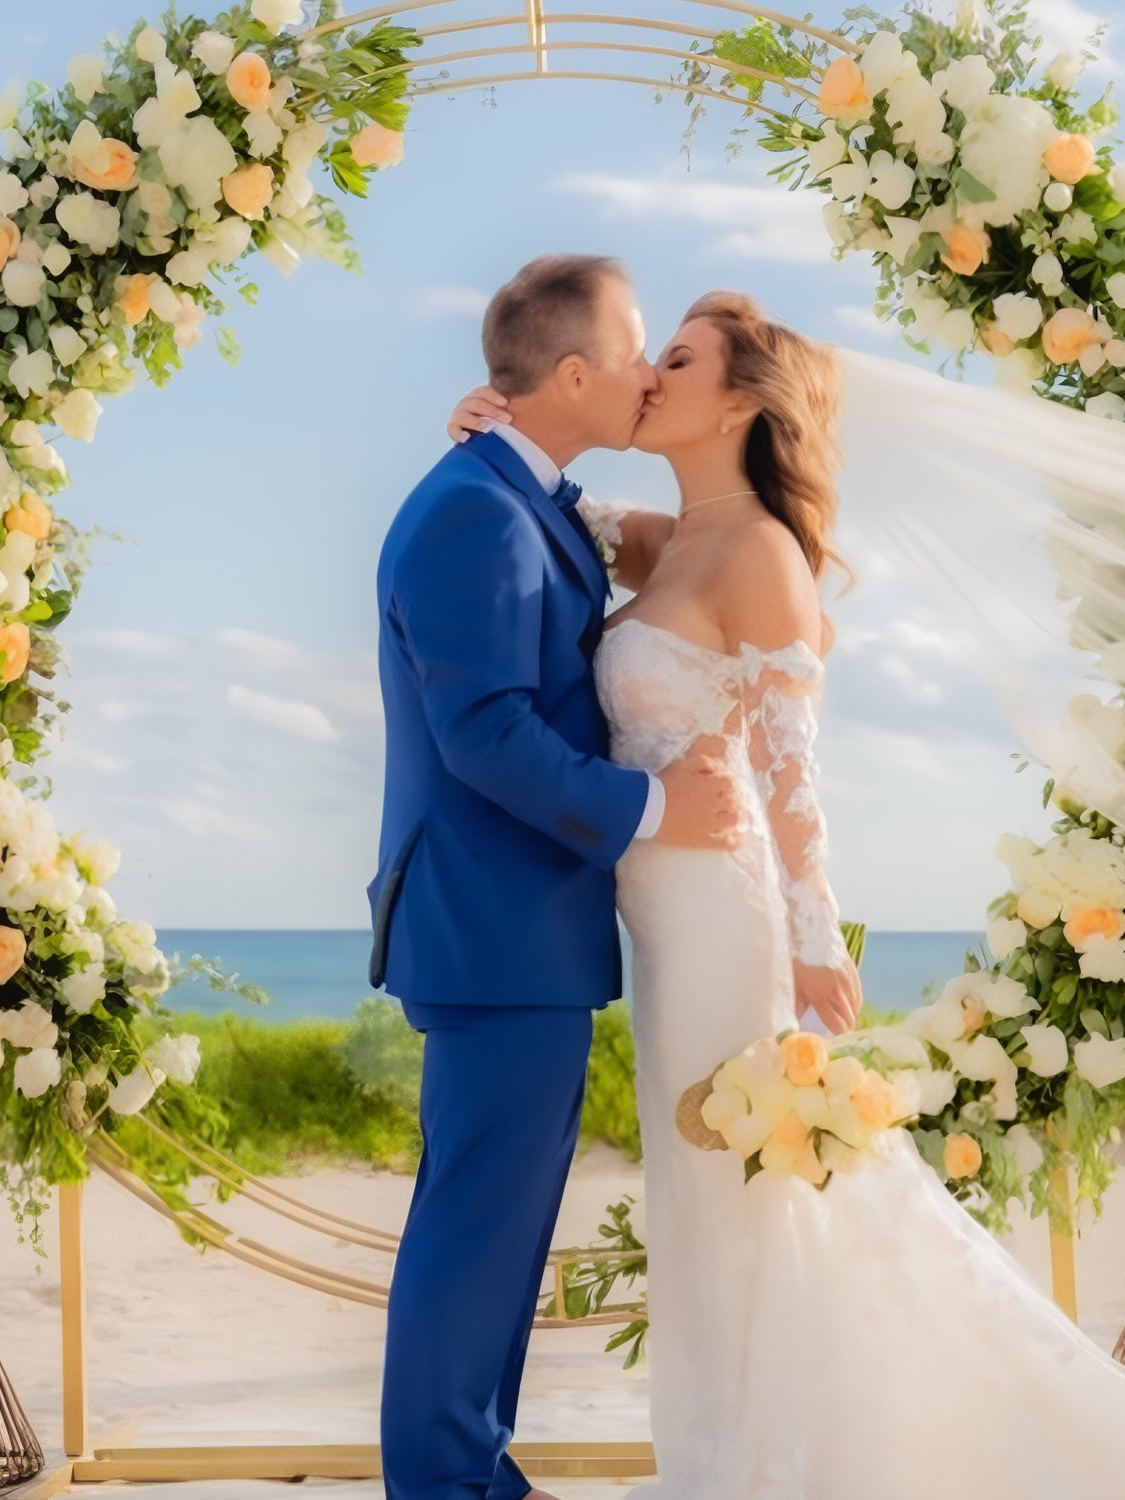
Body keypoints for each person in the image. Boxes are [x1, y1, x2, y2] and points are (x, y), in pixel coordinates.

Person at [435, 292, 1125, 1499]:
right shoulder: (669, 536)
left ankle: (767, 1463)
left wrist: (809, 946)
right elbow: (553, 511)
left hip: (719, 919)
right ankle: (733, 1449)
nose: (647, 375)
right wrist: (485, 424)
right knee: (704, 1198)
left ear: (743, 399)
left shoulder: (760, 556)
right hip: (659, 913)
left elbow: (796, 784)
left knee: (744, 1193)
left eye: (675, 359)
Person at [369, 253, 746, 1500]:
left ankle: (474, 1472)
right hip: (492, 925)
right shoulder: (475, 507)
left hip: (518, 928)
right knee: (477, 1233)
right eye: (636, 350)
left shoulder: (517, 492)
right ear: (574, 373)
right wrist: (647, 808)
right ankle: (447, 1482)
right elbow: (481, 731)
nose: (646, 373)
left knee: (495, 1233)